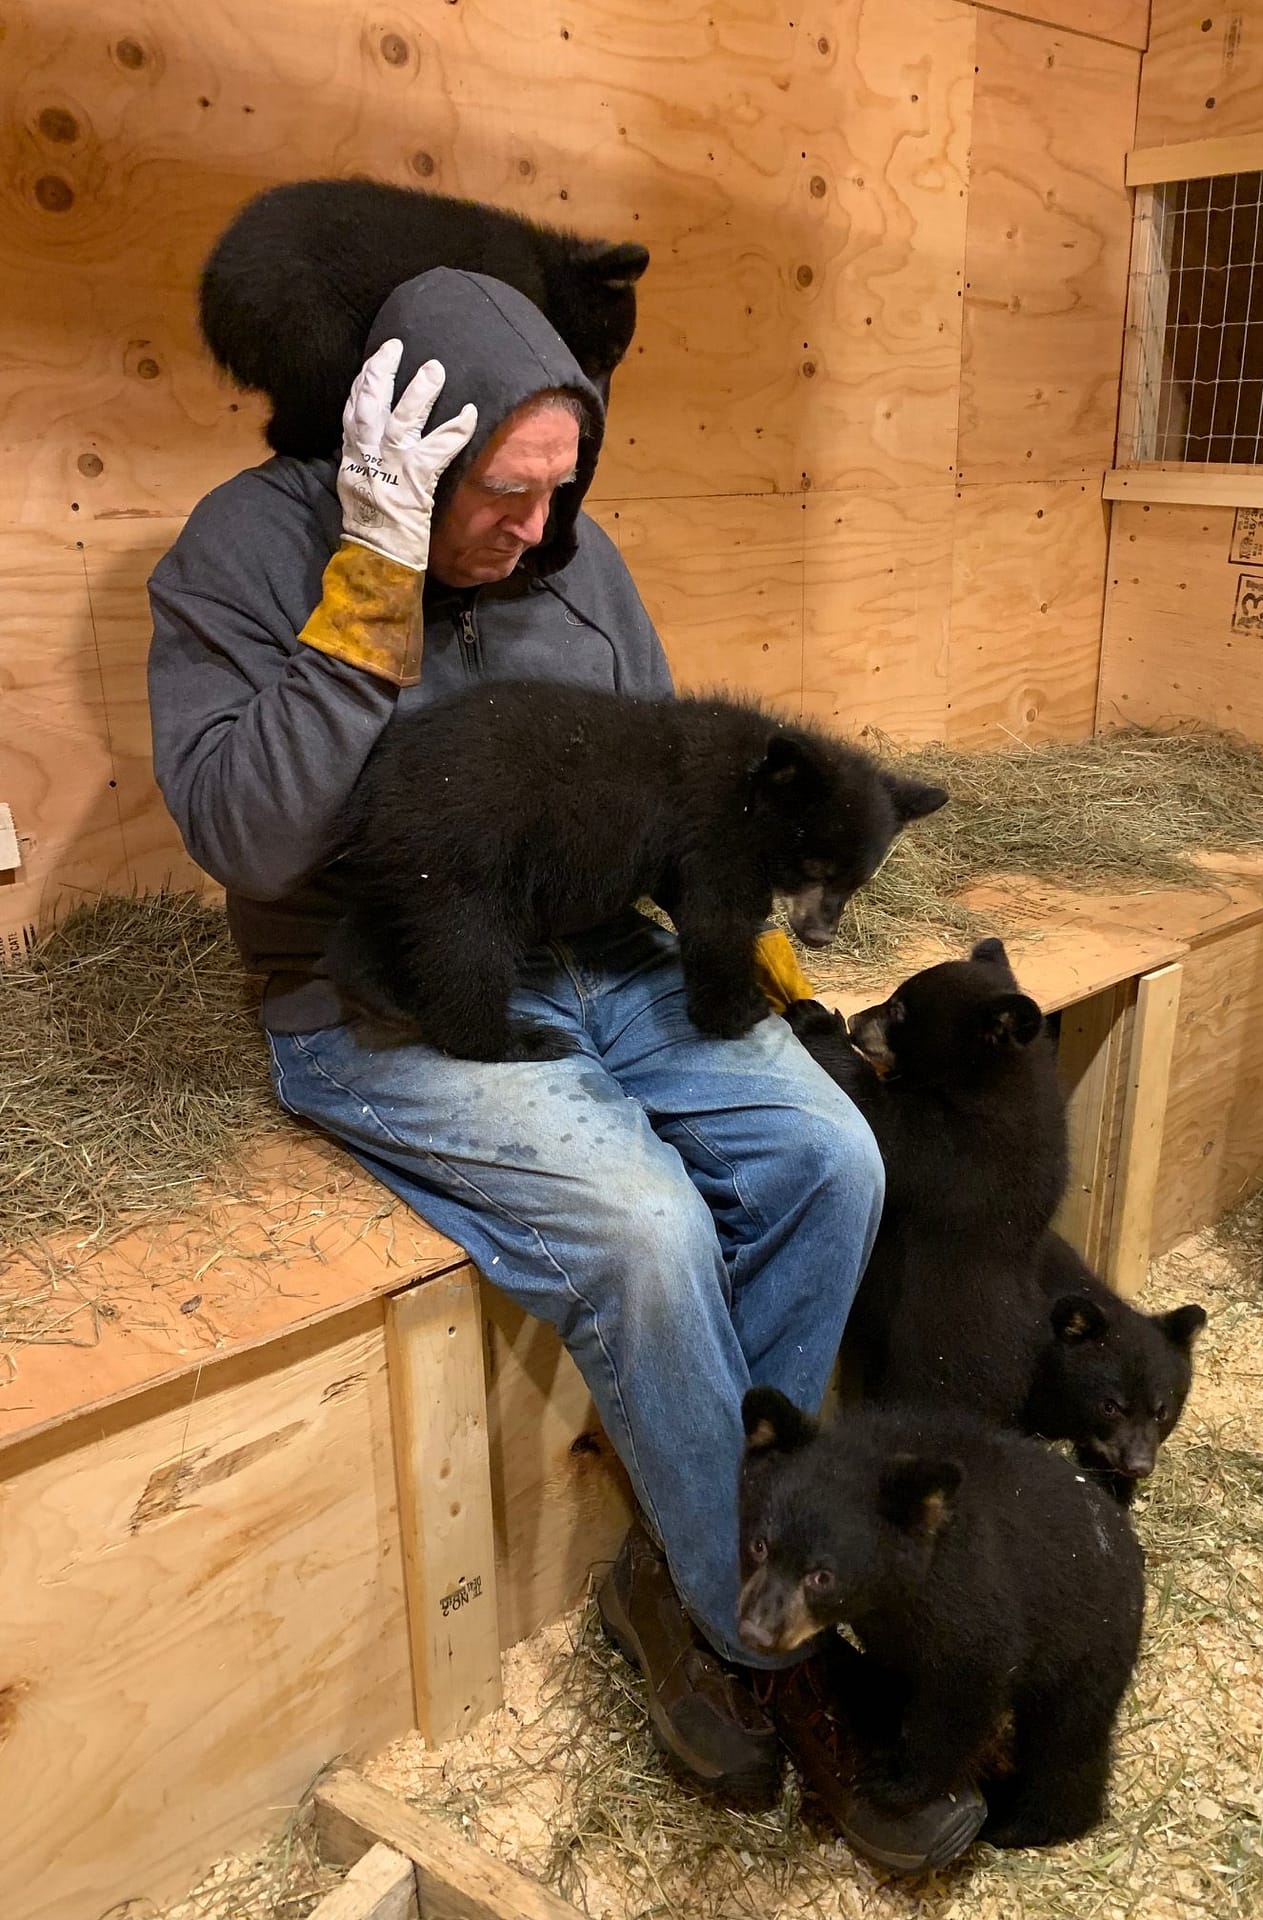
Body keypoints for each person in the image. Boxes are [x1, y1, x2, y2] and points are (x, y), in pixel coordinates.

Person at [148, 267, 980, 1870]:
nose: (539, 532)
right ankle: (764, 1639)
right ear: (409, 453)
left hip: (600, 950)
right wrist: (376, 576)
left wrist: (783, 987)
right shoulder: (244, 552)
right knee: (646, 1232)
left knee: (832, 1158)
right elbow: (245, 834)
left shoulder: (574, 560)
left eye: (560, 489)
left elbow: (696, 797)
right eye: (502, 496)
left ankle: (705, 1556)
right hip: (378, 985)